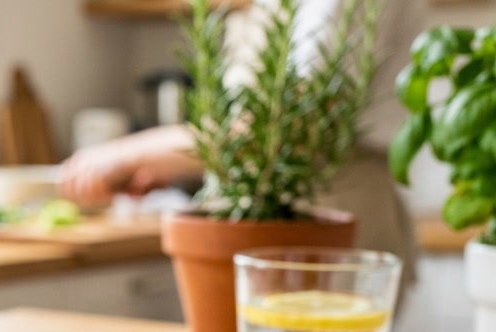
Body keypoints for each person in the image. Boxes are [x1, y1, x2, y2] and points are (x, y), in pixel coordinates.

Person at [59, 0, 426, 276]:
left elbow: (283, 128)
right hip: (254, 215)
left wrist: (131, 153)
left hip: (325, 210)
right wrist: (173, 164)